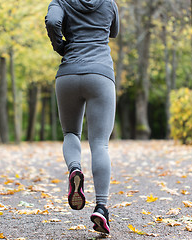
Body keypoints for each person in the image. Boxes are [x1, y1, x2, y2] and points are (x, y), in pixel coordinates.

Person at [45, 0, 119, 234]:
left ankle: (75, 169)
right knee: (99, 144)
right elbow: (114, 31)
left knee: (70, 133)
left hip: (68, 74)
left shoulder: (61, 1)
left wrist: (61, 47)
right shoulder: (109, 2)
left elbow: (52, 21)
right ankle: (101, 208)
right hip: (101, 75)